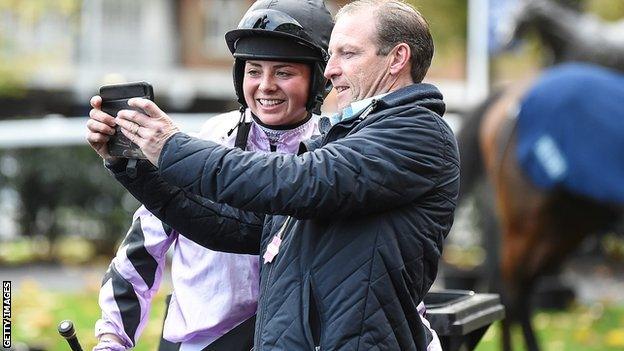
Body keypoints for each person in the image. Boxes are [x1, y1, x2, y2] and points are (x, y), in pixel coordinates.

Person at [92, 0, 458, 349]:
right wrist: (133, 166)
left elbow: (292, 181)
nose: (331, 70)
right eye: (331, 55)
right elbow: (229, 226)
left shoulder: (415, 132)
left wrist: (170, 147)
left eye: (347, 54)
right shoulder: (351, 135)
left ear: (397, 58)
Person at [85, 1, 334, 350]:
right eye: (253, 71)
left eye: (284, 73)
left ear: (318, 79)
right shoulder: (205, 141)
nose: (265, 86)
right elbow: (143, 250)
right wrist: (112, 338)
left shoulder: (333, 155)